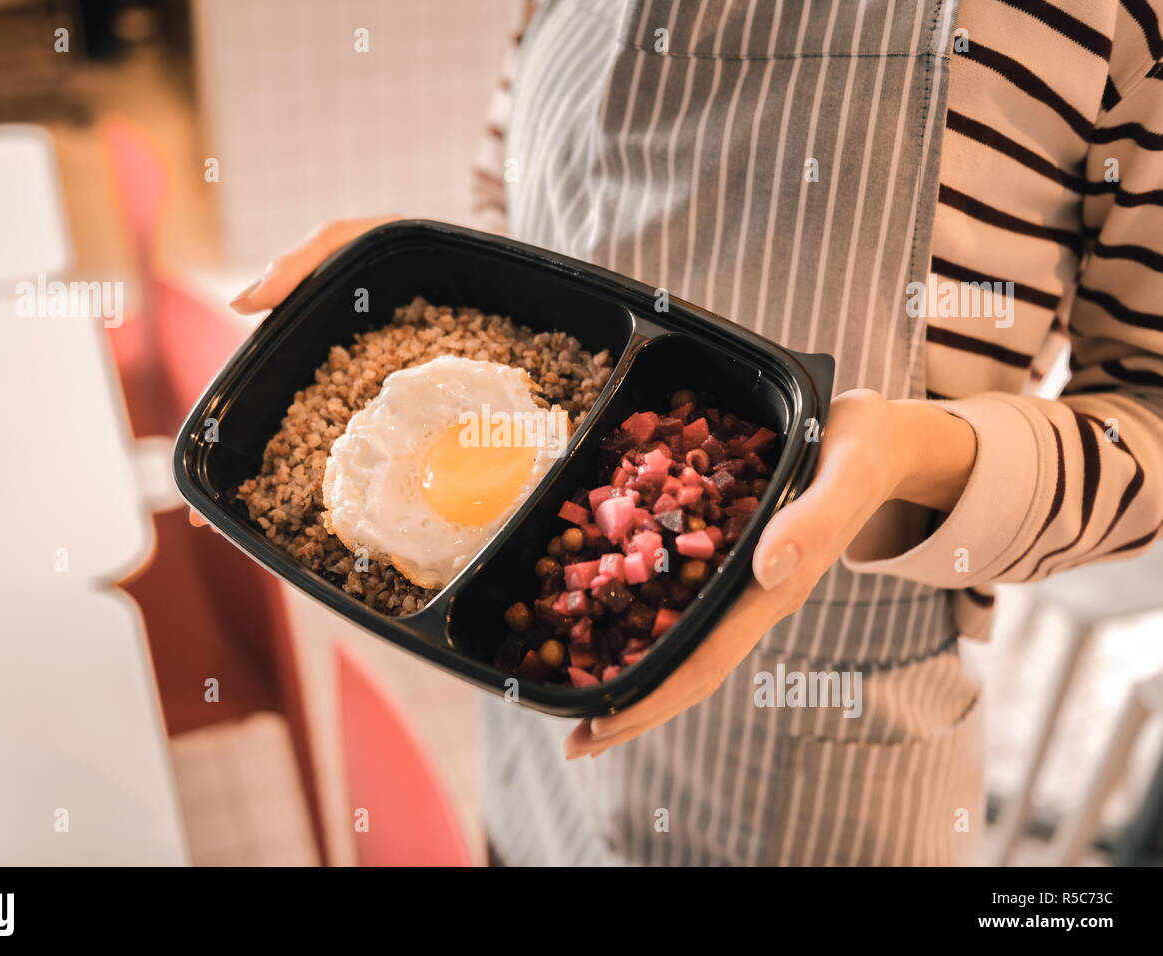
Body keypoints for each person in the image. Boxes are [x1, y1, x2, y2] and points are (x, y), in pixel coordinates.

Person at [220, 0, 1163, 865]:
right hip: (532, 745)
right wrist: (452, 287)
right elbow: (505, 191)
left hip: (818, 783)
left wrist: (908, 459)